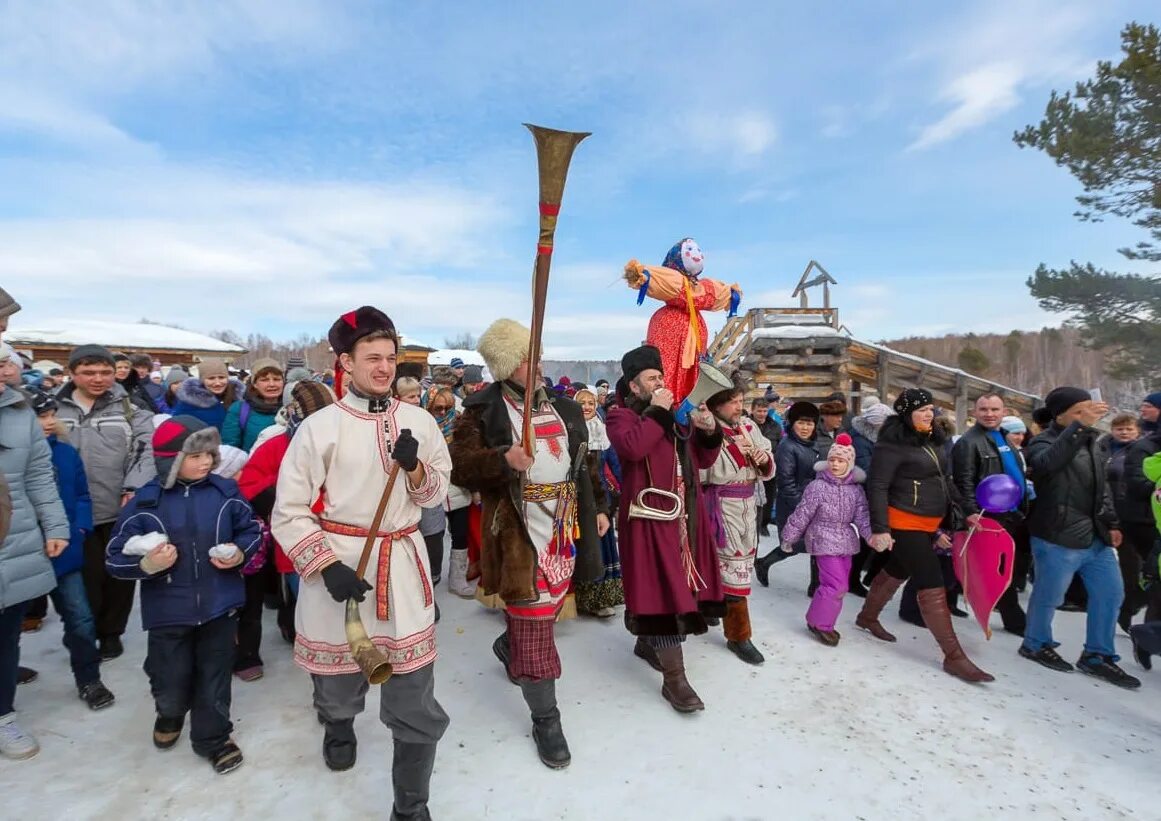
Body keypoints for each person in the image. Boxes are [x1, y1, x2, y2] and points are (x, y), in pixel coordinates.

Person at [272, 306, 450, 819]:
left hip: (403, 564)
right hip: (339, 566)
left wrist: (414, 466)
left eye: (390, 358)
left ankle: (410, 808)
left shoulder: (419, 422)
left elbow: (436, 493)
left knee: (414, 692)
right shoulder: (319, 428)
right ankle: (338, 724)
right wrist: (324, 564)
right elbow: (288, 510)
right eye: (372, 358)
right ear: (344, 362)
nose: (384, 368)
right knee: (337, 678)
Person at [450, 318, 609, 769]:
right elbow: (460, 467)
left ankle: (510, 644)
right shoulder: (481, 411)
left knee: (546, 608)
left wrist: (599, 506)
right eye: (526, 358)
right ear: (505, 367)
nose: (536, 364)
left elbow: (585, 464)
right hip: (519, 531)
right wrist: (503, 459)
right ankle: (546, 718)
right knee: (537, 625)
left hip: (563, 526)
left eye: (535, 354)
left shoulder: (566, 408)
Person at [106, 416, 263, 773]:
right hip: (168, 610)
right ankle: (170, 712)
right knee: (169, 675)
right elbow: (114, 558)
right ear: (170, 460)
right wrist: (146, 565)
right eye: (195, 456)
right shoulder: (146, 503)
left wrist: (239, 553)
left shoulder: (225, 493)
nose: (206, 461)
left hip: (219, 604)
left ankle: (213, 737)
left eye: (209, 453)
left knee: (215, 674)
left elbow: (251, 530)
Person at [606, 344, 725, 713]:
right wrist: (659, 410)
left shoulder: (673, 416)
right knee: (660, 591)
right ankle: (675, 679)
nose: (660, 383)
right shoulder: (619, 416)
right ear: (635, 386)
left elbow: (703, 458)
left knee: (676, 586)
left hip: (684, 516)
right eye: (652, 379)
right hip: (647, 520)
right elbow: (633, 447)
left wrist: (708, 429)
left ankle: (647, 642)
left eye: (661, 377)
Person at [856, 388, 994, 683]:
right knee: (932, 582)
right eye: (922, 410)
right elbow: (877, 486)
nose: (929, 415)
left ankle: (867, 617)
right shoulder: (891, 445)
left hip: (929, 520)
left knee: (897, 569)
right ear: (906, 414)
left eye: (931, 409)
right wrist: (880, 529)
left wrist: (966, 509)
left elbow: (945, 479)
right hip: (904, 520)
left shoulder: (934, 440)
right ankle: (954, 657)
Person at [1018, 387, 1139, 688]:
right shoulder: (1043, 441)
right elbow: (1045, 467)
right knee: (1050, 595)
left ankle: (1097, 655)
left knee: (1111, 593)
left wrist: (1111, 522)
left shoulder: (1092, 442)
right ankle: (1035, 643)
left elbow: (1103, 488)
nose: (1089, 414)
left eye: (1089, 409)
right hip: (1057, 534)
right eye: (1080, 410)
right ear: (1061, 415)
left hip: (1095, 535)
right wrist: (1078, 427)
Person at [54, 344, 155, 661]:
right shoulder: (53, 411)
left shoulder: (130, 409)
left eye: (105, 372)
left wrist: (133, 487)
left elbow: (145, 451)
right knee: (84, 578)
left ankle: (112, 632)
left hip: (118, 506)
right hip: (72, 512)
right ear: (72, 374)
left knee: (118, 575)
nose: (98, 378)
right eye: (88, 372)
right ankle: (84, 629)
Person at [24, 391, 115, 709]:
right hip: (19, 553)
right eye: (40, 416)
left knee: (80, 617)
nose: (49, 422)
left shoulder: (65, 453)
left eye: (51, 415)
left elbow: (80, 495)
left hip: (63, 549)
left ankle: (89, 678)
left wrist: (77, 528)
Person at [236, 380, 336, 669]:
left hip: (339, 535)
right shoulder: (276, 446)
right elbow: (249, 484)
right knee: (302, 589)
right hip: (294, 539)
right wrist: (284, 494)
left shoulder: (345, 442)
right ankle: (296, 627)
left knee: (330, 592)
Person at [0, 382, 69, 760]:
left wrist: (55, 525)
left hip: (15, 536)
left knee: (6, 635)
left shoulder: (17, 412)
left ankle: (3, 715)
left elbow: (40, 475)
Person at [700, 380, 774, 664]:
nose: (740, 407)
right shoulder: (708, 430)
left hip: (747, 505)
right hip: (720, 505)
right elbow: (707, 471)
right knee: (730, 569)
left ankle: (709, 609)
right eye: (733, 402)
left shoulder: (749, 426)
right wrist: (736, 451)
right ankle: (739, 635)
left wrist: (761, 459)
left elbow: (767, 466)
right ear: (717, 404)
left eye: (741, 400)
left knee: (738, 565)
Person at [778, 433, 872, 646]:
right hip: (822, 537)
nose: (836, 464)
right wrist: (789, 537)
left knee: (840, 586)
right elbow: (803, 513)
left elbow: (862, 516)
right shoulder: (817, 487)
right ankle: (821, 624)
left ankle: (818, 618)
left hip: (846, 541)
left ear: (850, 464)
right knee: (835, 585)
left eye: (841, 461)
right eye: (832, 460)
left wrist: (871, 536)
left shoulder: (855, 491)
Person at [623, 238, 741, 402]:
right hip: (669, 330)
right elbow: (665, 282)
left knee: (694, 371)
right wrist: (644, 276)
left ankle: (691, 403)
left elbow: (711, 293)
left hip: (695, 340)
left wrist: (730, 294)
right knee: (667, 368)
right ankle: (667, 403)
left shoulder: (700, 287)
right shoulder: (674, 288)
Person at [949, 393, 1029, 636]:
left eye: (995, 409)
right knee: (997, 567)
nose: (989, 414)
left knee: (1008, 566)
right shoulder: (968, 442)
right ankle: (1015, 620)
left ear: (1004, 411)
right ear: (975, 412)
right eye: (983, 409)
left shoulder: (1003, 437)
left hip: (1012, 512)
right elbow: (963, 481)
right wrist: (971, 512)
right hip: (987, 514)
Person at [755, 401, 820, 587]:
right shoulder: (787, 447)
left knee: (816, 542)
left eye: (809, 423)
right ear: (792, 424)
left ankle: (816, 585)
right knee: (796, 544)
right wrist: (804, 508)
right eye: (801, 423)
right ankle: (764, 562)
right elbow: (786, 483)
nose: (805, 427)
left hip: (811, 503)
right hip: (794, 505)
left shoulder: (811, 444)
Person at [573, 388, 625, 618]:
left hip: (600, 496)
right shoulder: (570, 431)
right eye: (582, 402)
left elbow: (615, 463)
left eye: (591, 403)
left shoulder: (601, 432)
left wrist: (628, 488)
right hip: (576, 496)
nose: (586, 406)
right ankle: (578, 597)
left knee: (601, 542)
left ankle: (601, 597)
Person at [1104, 413, 1142, 629]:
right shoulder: (1103, 447)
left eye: (1129, 429)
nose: (1124, 432)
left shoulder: (1139, 451)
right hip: (1104, 509)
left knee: (1130, 563)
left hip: (1128, 512)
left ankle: (1127, 609)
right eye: (1120, 429)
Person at [222, 359, 285, 451]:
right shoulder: (240, 409)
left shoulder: (292, 409)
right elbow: (230, 449)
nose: (272, 384)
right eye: (264, 380)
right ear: (254, 384)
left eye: (277, 379)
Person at [748, 398, 781, 537]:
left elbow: (779, 446)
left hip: (769, 467)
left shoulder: (775, 426)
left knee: (769, 497)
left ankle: (764, 524)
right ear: (753, 410)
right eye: (759, 410)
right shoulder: (746, 425)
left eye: (765, 411)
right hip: (751, 468)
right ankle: (753, 523)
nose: (762, 414)